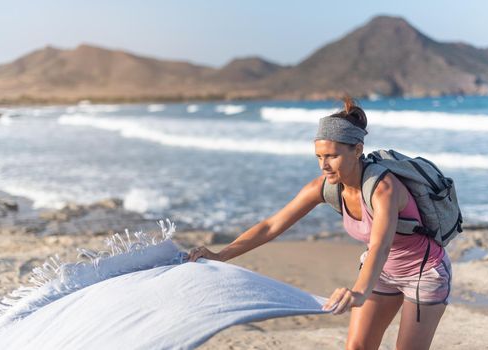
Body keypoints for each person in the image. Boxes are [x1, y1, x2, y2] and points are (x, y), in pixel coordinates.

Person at [187, 98, 452, 350]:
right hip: (382, 273)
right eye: (319, 156)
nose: (324, 165)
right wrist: (221, 254)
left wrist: (359, 291)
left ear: (357, 150)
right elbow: (272, 225)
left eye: (332, 156)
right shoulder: (325, 187)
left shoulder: (383, 189)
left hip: (423, 273)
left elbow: (380, 246)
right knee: (357, 347)